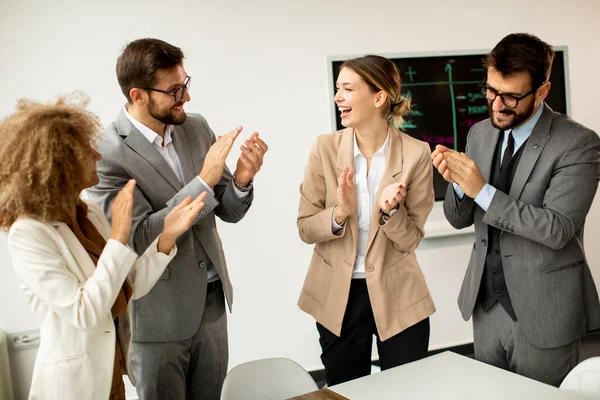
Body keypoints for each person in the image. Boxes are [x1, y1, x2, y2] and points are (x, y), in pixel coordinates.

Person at [85, 38, 268, 400]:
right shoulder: (106, 153)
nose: (186, 97)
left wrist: (243, 179)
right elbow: (137, 238)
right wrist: (204, 180)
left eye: (186, 83)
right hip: (156, 314)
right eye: (174, 90)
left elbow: (228, 210)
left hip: (212, 302)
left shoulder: (196, 127)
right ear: (138, 95)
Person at [0, 96, 206, 400]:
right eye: (86, 150)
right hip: (75, 387)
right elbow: (84, 312)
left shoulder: (88, 212)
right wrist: (119, 237)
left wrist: (167, 236)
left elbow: (127, 283)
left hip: (112, 376)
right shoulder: (28, 234)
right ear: (60, 165)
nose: (97, 155)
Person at [432, 33, 600, 386]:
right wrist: (459, 187)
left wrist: (484, 191)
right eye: (491, 91)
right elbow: (457, 218)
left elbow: (557, 229)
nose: (496, 105)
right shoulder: (478, 133)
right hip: (485, 307)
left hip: (546, 311)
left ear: (541, 91)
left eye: (510, 96)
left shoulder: (579, 144)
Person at [297, 55, 435, 385]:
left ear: (379, 97)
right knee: (346, 391)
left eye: (347, 89)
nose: (338, 97)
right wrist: (340, 212)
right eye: (336, 89)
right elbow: (305, 227)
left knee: (406, 391)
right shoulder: (324, 149)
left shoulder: (417, 153)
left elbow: (411, 238)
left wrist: (390, 213)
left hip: (400, 296)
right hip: (338, 297)